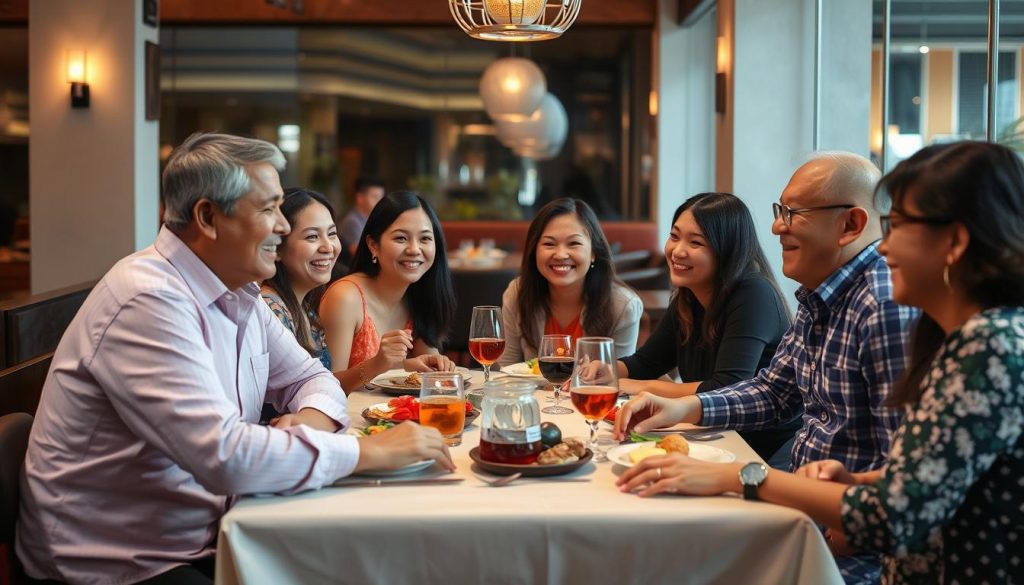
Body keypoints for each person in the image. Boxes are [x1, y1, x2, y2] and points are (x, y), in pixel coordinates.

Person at [16, 133, 454, 585]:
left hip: (204, 533)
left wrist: (307, 422)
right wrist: (367, 450)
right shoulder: (149, 299)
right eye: (268, 209)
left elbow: (313, 378)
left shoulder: (238, 294)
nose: (283, 227)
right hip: (121, 562)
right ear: (208, 217)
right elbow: (225, 457)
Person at [616, 141, 1024, 585]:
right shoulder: (827, 294)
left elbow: (898, 515)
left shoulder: (976, 341)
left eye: (900, 225)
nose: (886, 247)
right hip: (828, 520)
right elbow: (780, 393)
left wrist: (744, 476)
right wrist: (860, 480)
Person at [613, 192, 798, 460]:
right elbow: (645, 362)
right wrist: (598, 371)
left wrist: (638, 386)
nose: (677, 251)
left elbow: (727, 386)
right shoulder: (689, 295)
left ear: (727, 250)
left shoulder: (753, 293)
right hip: (713, 437)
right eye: (674, 236)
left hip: (761, 451)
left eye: (695, 242)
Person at [319, 190, 456, 393]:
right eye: (401, 238)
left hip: (391, 418)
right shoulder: (346, 298)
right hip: (346, 420)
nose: (414, 249)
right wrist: (376, 364)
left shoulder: (416, 295)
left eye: (425, 239)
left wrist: (431, 364)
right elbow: (325, 387)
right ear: (373, 245)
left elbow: (429, 366)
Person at [497, 197, 642, 367]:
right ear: (534, 250)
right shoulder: (517, 294)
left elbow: (618, 379)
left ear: (593, 252)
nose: (560, 254)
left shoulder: (623, 306)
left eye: (573, 243)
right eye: (549, 244)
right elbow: (506, 370)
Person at [261, 187, 339, 371]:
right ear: (277, 247)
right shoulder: (271, 308)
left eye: (332, 234)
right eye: (312, 236)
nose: (328, 247)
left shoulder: (304, 308)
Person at [339, 176, 385, 257]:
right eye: (375, 197)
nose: (380, 201)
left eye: (381, 197)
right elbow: (360, 254)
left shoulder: (373, 219)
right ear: (359, 198)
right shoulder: (352, 221)